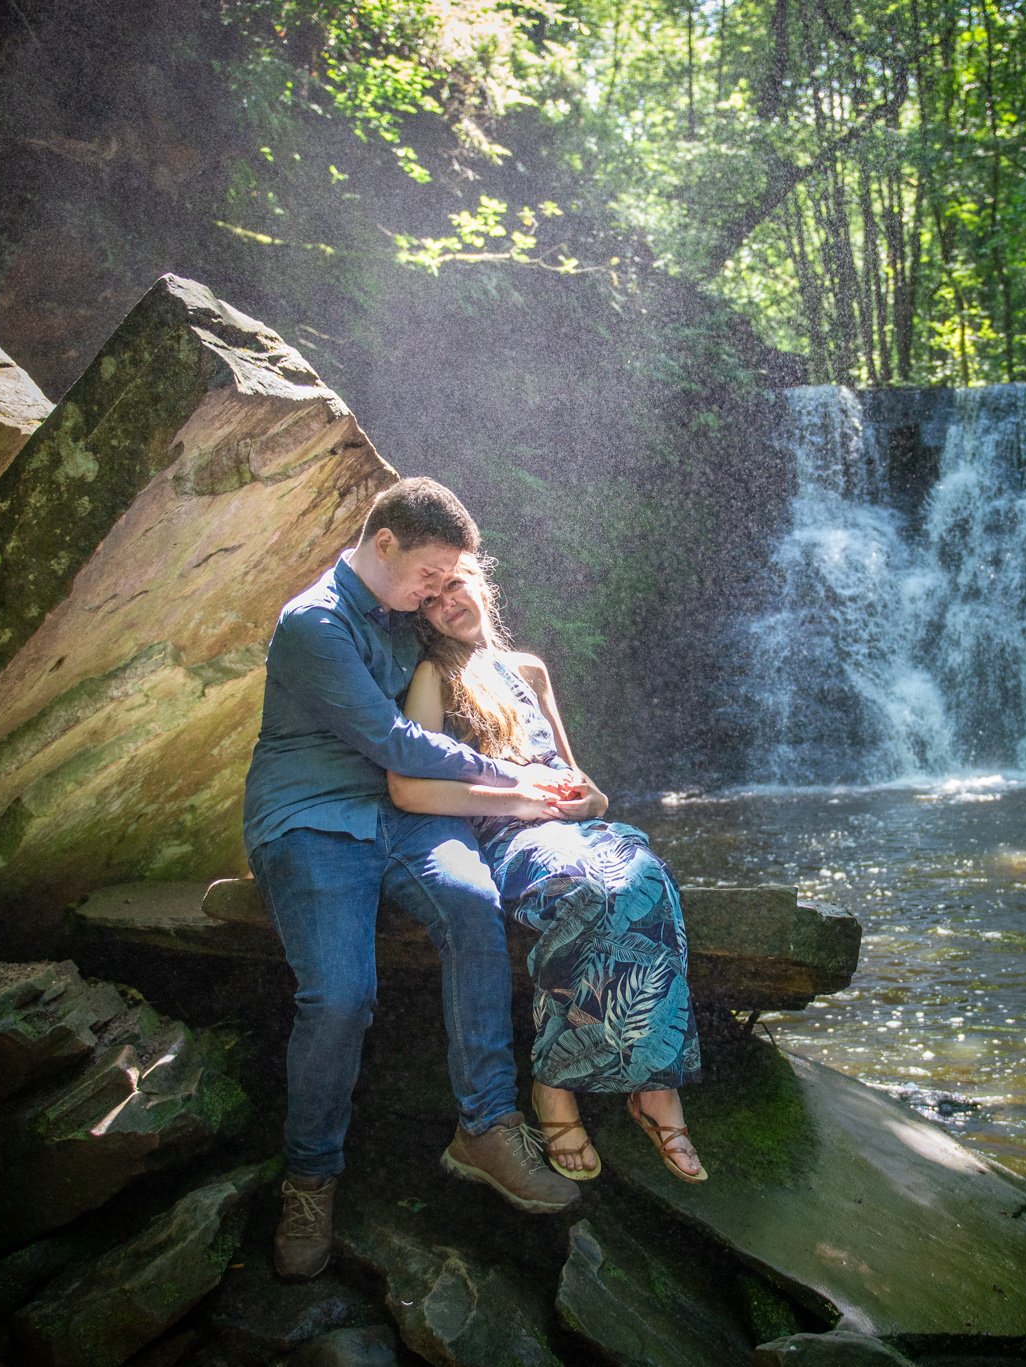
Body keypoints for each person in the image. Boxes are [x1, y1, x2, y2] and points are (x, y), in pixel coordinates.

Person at [242, 477, 583, 1283]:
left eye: (449, 578)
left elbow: (478, 671)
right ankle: (310, 1177)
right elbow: (392, 738)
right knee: (339, 996)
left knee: (472, 905)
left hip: (408, 815)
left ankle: (488, 1125)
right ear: (383, 542)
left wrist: (548, 775)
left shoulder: (409, 613)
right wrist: (507, 776)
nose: (441, 589)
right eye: (432, 572)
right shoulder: (312, 624)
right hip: (313, 817)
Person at [385, 551, 707, 1185]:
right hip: (509, 840)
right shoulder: (434, 677)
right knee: (586, 889)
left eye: (455, 585)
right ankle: (554, 1083)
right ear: (421, 617)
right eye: (430, 599)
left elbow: (582, 783)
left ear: (480, 584)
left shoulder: (528, 670)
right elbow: (413, 790)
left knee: (649, 878)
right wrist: (523, 802)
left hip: (577, 829)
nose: (447, 602)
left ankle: (657, 1085)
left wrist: (588, 800)